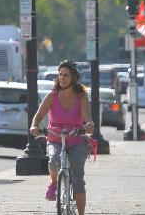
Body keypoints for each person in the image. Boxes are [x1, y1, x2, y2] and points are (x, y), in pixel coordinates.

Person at [30, 61, 94, 215]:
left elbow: (87, 117)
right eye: (60, 75)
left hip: (77, 139)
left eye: (66, 75)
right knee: (53, 160)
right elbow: (39, 115)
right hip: (55, 137)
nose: (62, 78)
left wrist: (89, 125)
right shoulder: (52, 96)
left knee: (78, 179)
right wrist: (34, 125)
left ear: (73, 78)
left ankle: (81, 213)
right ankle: (54, 183)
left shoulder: (81, 96)